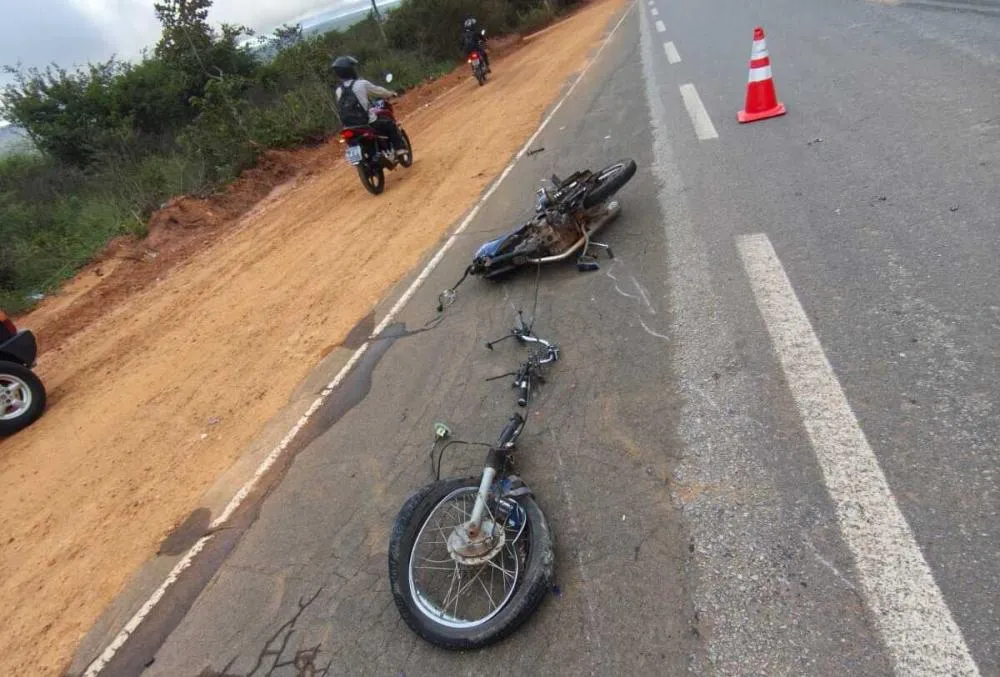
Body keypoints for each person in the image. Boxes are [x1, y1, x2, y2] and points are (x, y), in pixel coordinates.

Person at [332, 55, 406, 156]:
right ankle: (399, 148)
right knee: (390, 124)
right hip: (367, 122)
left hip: (349, 126)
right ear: (351, 70)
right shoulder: (361, 84)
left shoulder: (338, 90)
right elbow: (379, 91)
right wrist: (391, 93)